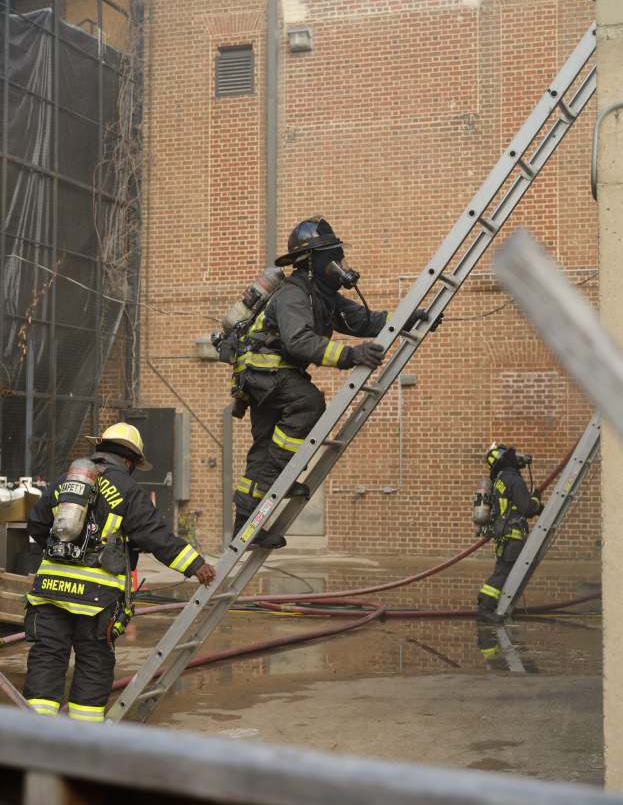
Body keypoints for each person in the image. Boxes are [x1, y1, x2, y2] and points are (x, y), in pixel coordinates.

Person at [231, 215, 440, 548]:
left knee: (264, 448)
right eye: (336, 256)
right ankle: (277, 482)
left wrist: (409, 319)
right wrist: (350, 356)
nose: (342, 263)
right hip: (263, 370)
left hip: (269, 375)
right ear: (316, 261)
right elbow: (298, 342)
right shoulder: (292, 294)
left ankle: (245, 527)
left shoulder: (323, 295)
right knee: (308, 403)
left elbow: (363, 320)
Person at [22, 423, 216, 721]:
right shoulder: (127, 488)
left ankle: (33, 734)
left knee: (47, 659)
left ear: (101, 450)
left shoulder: (63, 482)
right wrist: (195, 565)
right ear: (128, 460)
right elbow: (155, 536)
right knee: (93, 662)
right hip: (96, 599)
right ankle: (83, 737)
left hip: (48, 593)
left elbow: (36, 525)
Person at [476, 442, 543, 624]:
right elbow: (528, 509)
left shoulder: (501, 482)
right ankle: (484, 608)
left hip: (504, 536)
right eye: (511, 455)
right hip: (512, 537)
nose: (515, 457)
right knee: (503, 572)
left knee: (503, 570)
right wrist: (537, 500)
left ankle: (489, 607)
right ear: (504, 460)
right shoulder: (514, 480)